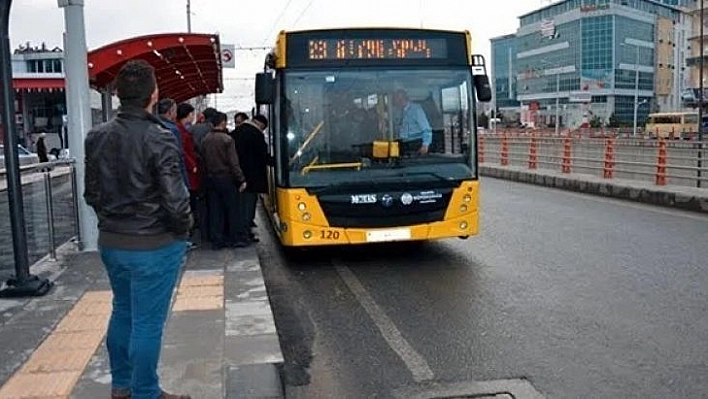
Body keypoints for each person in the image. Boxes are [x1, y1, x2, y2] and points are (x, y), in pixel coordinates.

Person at [84, 60, 192, 399]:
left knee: (123, 310)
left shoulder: (96, 136)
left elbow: (92, 194)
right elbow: (176, 201)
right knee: (147, 322)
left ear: (117, 94)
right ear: (153, 93)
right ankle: (146, 392)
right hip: (154, 244)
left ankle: (122, 386)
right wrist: (182, 232)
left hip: (112, 242)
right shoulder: (160, 136)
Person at [200, 112, 250, 249]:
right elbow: (233, 163)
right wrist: (241, 179)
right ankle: (234, 238)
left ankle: (217, 240)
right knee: (232, 209)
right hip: (226, 179)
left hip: (211, 178)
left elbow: (203, 161)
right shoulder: (227, 140)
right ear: (223, 122)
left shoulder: (205, 139)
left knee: (215, 210)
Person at [233, 114, 273, 241]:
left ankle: (241, 232)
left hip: (238, 177)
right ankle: (245, 234)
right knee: (248, 206)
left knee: (240, 206)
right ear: (261, 125)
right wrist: (277, 161)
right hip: (252, 178)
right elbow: (262, 156)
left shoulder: (236, 132)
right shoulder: (256, 134)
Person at [176, 103, 201, 249]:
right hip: (188, 173)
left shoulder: (182, 129)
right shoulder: (179, 130)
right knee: (189, 203)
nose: (193, 117)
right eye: (192, 114)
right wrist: (193, 165)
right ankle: (185, 237)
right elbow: (182, 152)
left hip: (189, 172)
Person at [157, 98, 188, 188]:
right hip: (171, 176)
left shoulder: (153, 125)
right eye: (175, 111)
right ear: (170, 112)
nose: (176, 114)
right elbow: (178, 156)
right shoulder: (173, 129)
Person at [393, 89, 432, 155]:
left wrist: (425, 144)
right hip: (403, 143)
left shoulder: (416, 110)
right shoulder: (399, 111)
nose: (395, 102)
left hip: (415, 142)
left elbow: (426, 128)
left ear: (401, 99)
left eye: (396, 99)